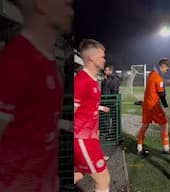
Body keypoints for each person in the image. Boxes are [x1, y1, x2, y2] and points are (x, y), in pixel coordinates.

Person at [0, 0, 73, 191]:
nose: (71, 10)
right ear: (42, 5)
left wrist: (65, 125)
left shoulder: (49, 61)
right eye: (65, 3)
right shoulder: (17, 59)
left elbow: (34, 121)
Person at [74, 39, 110, 192]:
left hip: (90, 137)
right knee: (103, 179)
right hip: (81, 138)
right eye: (102, 57)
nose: (104, 60)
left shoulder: (93, 80)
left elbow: (89, 107)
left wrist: (95, 131)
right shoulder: (81, 81)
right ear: (91, 58)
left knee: (80, 174)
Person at [137, 58, 170, 155]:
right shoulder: (158, 78)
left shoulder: (151, 74)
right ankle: (166, 148)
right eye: (166, 69)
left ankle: (139, 147)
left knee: (144, 126)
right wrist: (167, 110)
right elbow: (162, 95)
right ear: (163, 66)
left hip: (146, 106)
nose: (166, 71)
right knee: (164, 124)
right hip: (154, 107)